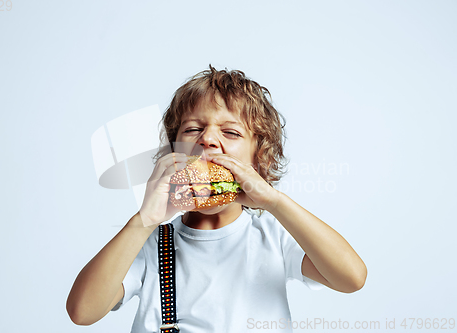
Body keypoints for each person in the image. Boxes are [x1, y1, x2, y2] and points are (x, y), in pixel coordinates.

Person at [66, 66, 367, 332]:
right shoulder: (148, 244)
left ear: (258, 160)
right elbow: (82, 312)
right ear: (174, 153)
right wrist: (144, 221)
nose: (207, 139)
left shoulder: (273, 238)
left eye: (231, 132)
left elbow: (351, 278)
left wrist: (275, 202)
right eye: (193, 129)